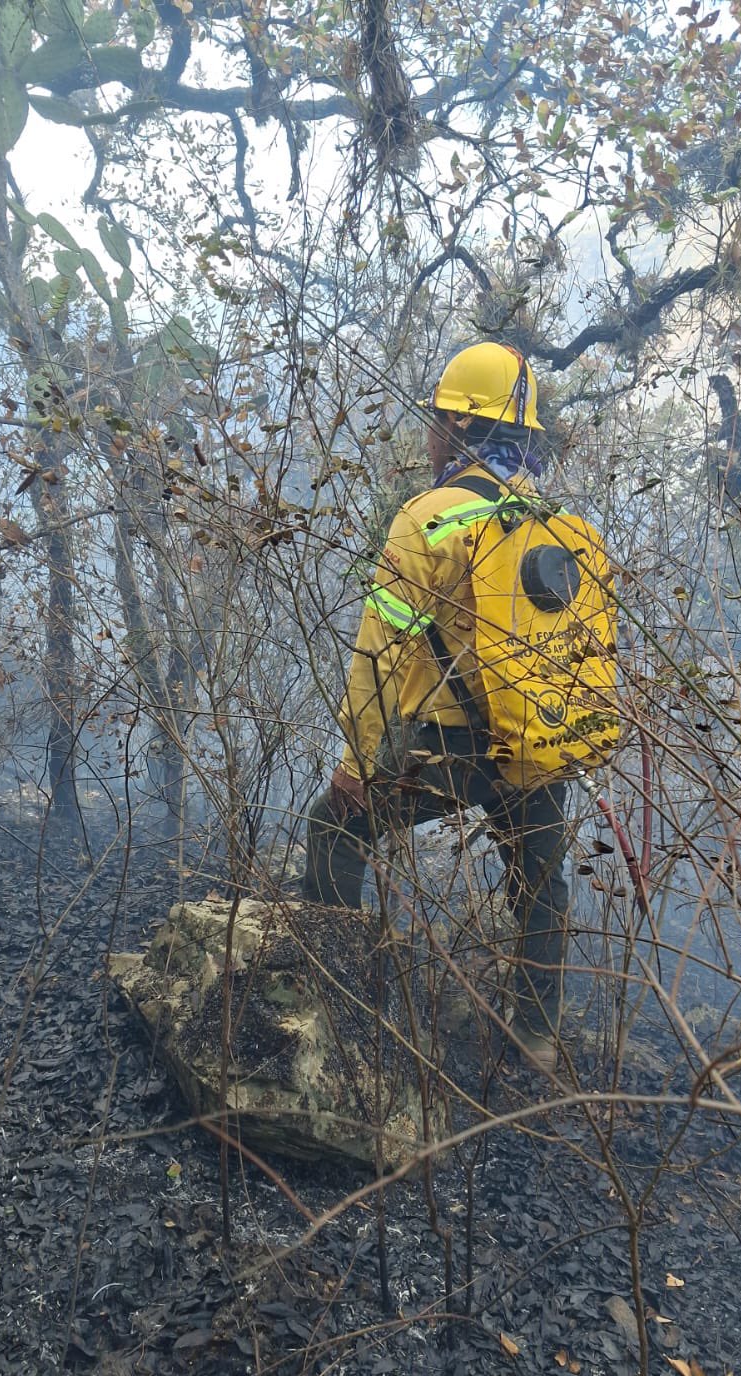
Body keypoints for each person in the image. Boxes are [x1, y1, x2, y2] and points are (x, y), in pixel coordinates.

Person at [302, 341, 569, 1071]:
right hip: (539, 745)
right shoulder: (550, 520)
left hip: (448, 748)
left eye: (434, 421)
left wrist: (357, 762)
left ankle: (334, 1004)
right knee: (540, 882)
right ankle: (537, 1038)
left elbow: (378, 654)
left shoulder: (428, 517)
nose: (427, 436)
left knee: (332, 827)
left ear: (456, 428)